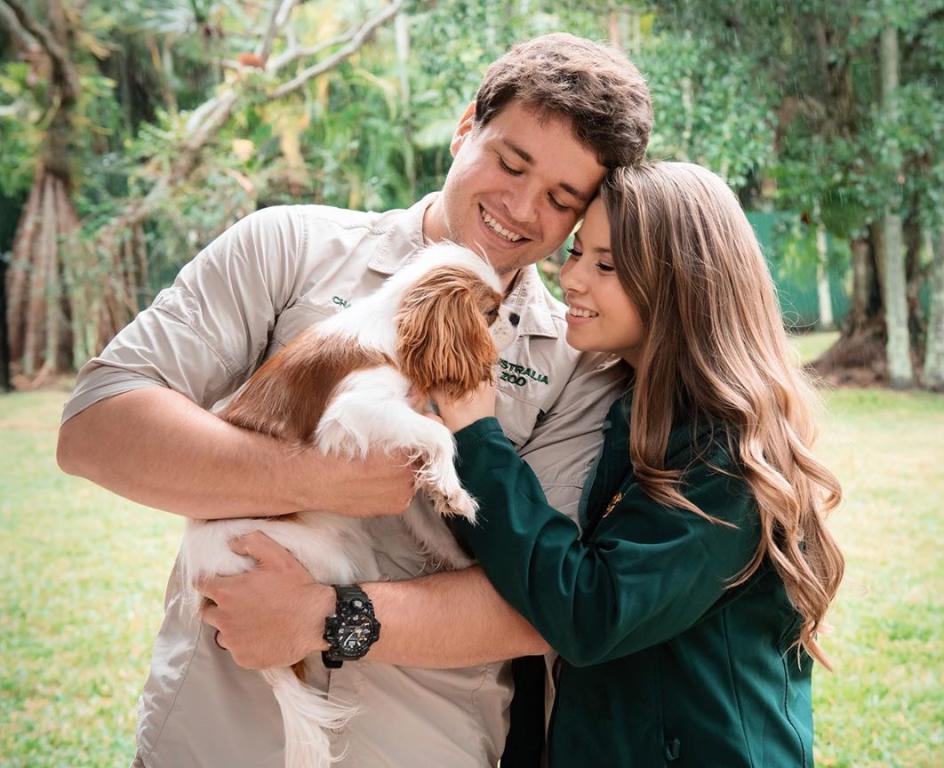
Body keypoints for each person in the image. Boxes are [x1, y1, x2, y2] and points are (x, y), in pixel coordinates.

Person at [56, 34, 653, 767]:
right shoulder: (289, 248)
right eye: (510, 161)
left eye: (563, 200)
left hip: (425, 744)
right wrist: (313, 476)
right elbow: (94, 428)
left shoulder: (575, 362)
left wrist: (325, 619)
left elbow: (545, 603)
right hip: (215, 740)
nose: (521, 208)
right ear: (467, 127)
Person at [430, 162, 846, 766]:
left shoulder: (726, 453)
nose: (569, 277)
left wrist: (475, 433)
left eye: (606, 265)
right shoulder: (629, 407)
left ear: (681, 286)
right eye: (576, 253)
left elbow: (591, 611)